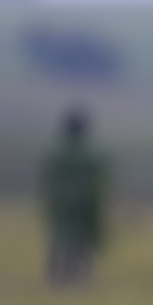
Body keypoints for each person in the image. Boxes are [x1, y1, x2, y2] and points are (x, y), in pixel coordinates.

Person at [39, 107, 110, 287]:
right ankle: (79, 277)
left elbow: (47, 180)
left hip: (60, 203)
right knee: (82, 240)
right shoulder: (90, 154)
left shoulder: (55, 154)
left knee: (60, 238)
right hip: (85, 203)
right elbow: (100, 179)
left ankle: (56, 276)